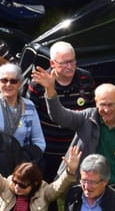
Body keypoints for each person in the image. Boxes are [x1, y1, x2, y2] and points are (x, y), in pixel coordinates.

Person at [34, 72, 115, 188]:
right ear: (96, 102)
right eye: (102, 105)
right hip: (86, 189)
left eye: (110, 105)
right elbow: (60, 116)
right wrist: (50, 91)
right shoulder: (86, 117)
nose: (106, 110)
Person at [25, 40, 96, 182]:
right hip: (48, 151)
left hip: (76, 149)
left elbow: (92, 113)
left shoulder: (85, 79)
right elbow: (29, 119)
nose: (70, 67)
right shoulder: (38, 84)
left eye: (72, 61)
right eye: (64, 63)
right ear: (52, 63)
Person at [0, 63, 45, 164]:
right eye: (4, 80)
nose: (8, 84)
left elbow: (39, 141)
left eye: (13, 81)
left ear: (20, 84)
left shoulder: (29, 106)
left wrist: (24, 158)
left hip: (21, 162)